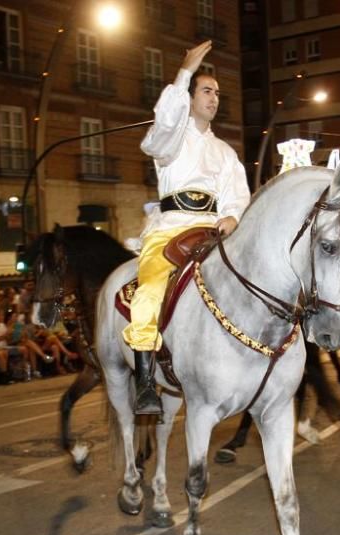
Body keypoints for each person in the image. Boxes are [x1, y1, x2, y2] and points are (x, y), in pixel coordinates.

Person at [121, 40, 251, 415]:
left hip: (212, 232)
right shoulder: (171, 140)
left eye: (218, 94)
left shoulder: (226, 152)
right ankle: (145, 383)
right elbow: (163, 125)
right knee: (148, 292)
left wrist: (232, 217)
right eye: (207, 91)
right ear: (191, 97)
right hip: (169, 229)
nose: (214, 98)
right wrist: (184, 73)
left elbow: (237, 197)